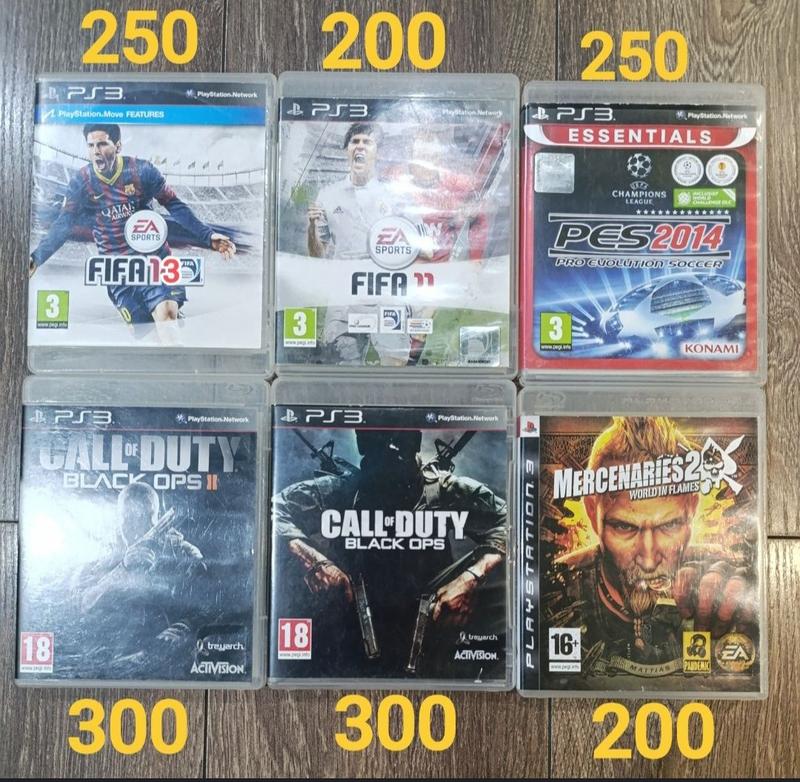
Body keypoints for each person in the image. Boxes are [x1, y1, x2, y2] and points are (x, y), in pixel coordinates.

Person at [272, 429, 507, 675]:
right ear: (363, 443)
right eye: (380, 440)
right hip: (352, 638)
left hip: (432, 639)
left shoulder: (444, 490)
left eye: (400, 440)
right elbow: (273, 510)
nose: (392, 449)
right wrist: (315, 563)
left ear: (416, 441)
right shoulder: (341, 490)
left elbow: (514, 522)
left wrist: (471, 578)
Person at [550, 416, 757, 672]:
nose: (648, 560)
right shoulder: (556, 586)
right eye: (624, 527)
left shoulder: (717, 566)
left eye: (669, 525)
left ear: (692, 509)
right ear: (592, 513)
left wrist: (745, 601)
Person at [29, 124, 236, 337]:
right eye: (91, 146)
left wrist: (208, 236)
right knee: (146, 335)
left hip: (154, 262)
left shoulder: (141, 171)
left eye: (102, 144)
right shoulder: (81, 181)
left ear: (118, 146)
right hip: (117, 271)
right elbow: (64, 224)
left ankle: (169, 311)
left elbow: (173, 204)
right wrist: (37, 257)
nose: (96, 151)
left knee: (167, 321)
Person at [75, 483, 207, 674]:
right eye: (129, 519)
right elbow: (85, 604)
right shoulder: (102, 558)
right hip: (113, 664)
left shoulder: (178, 550)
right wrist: (124, 568)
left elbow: (206, 605)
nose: (137, 528)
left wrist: (183, 628)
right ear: (119, 520)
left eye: (146, 518)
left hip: (164, 664)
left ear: (156, 519)